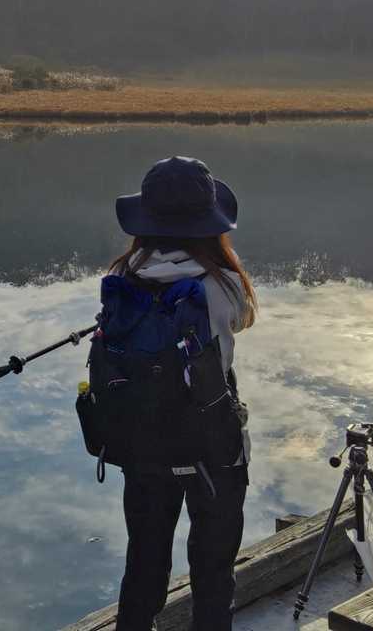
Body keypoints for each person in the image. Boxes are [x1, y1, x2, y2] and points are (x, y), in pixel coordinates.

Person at [109, 156, 257, 631]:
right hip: (214, 448)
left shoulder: (123, 276)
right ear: (209, 224)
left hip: (143, 443)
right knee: (213, 572)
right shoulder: (223, 284)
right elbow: (242, 321)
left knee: (144, 563)